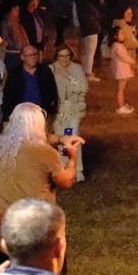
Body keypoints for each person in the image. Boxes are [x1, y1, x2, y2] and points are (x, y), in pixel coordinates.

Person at [0, 103, 83, 219]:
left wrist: (62, 139)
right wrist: (73, 157)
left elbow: (33, 136)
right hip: (36, 220)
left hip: (5, 218)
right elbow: (67, 181)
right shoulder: (45, 152)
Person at [49, 45, 89, 182]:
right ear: (57, 57)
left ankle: (78, 169)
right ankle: (62, 168)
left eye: (67, 56)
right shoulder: (51, 69)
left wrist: (70, 78)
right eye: (61, 56)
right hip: (58, 111)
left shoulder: (76, 68)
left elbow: (83, 87)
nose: (64, 59)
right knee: (60, 138)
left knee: (72, 136)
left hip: (73, 109)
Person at [3, 44, 60, 119]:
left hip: (41, 114)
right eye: (29, 55)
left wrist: (51, 111)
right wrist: (8, 116)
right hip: (21, 115)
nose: (33, 57)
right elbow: (8, 96)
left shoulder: (45, 71)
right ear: (22, 57)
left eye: (35, 54)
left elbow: (53, 91)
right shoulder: (15, 74)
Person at [109, 10, 138, 115]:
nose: (123, 35)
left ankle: (122, 104)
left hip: (121, 70)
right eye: (121, 33)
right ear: (115, 36)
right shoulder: (118, 47)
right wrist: (134, 63)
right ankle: (121, 106)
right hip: (121, 71)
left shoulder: (117, 46)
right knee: (121, 89)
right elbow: (125, 57)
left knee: (122, 88)